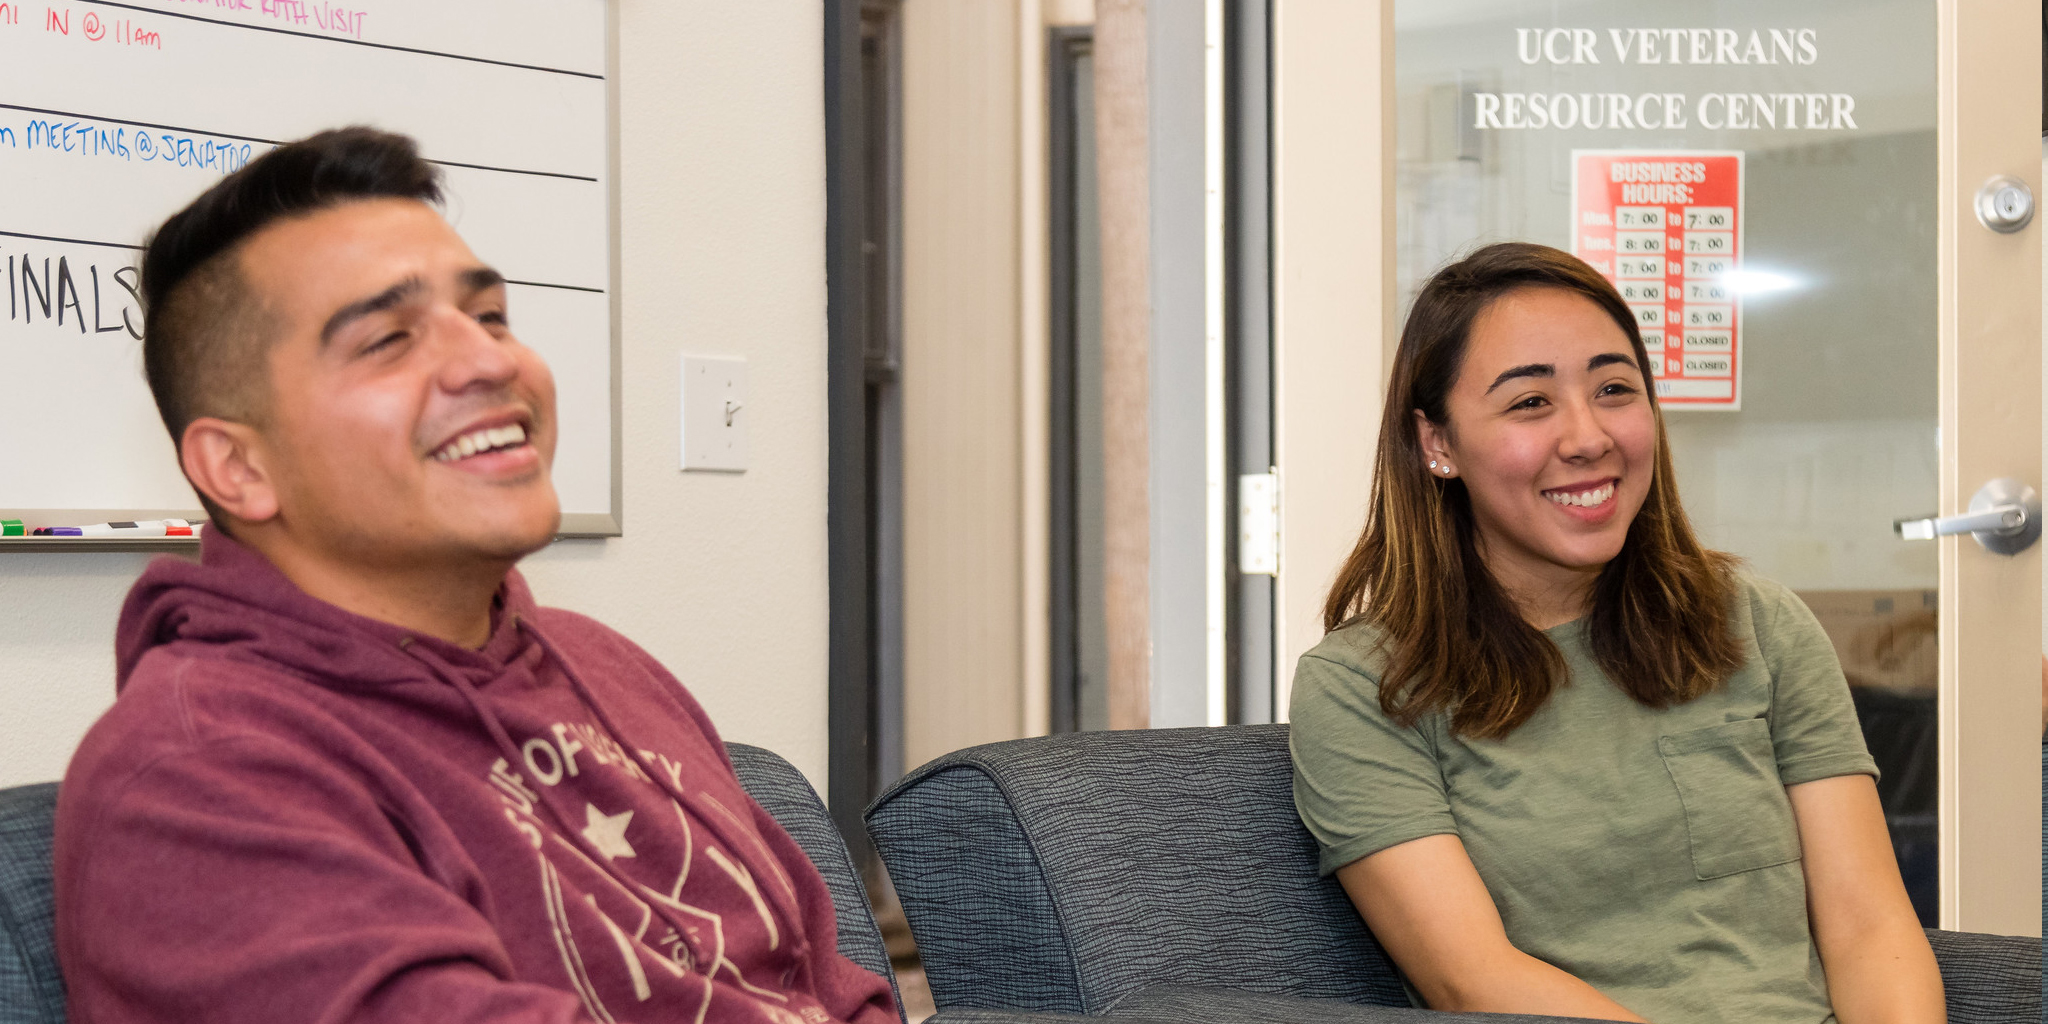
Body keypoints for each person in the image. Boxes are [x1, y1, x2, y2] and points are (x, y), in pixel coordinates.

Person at [54, 128, 897, 1024]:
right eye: (389, 339)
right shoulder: (198, 778)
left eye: (490, 317)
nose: (494, 362)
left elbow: (834, 991)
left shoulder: (602, 663)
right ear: (239, 468)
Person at [1289, 242, 1943, 1024]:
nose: (1589, 436)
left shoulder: (1757, 623)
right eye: (1530, 402)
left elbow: (1870, 928)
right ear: (1438, 443)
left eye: (1614, 389)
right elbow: (1473, 980)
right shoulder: (1366, 686)